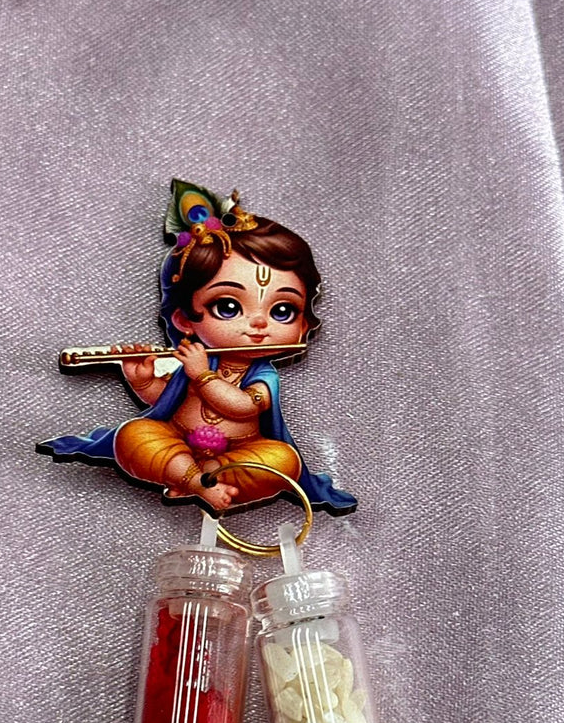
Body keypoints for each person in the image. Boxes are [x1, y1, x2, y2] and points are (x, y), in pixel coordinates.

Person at [36, 181, 356, 515]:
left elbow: (244, 407)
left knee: (283, 460)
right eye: (228, 307)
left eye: (282, 311)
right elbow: (169, 402)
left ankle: (206, 479)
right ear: (184, 318)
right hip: (179, 441)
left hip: (240, 452)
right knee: (134, 434)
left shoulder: (260, 375)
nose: (260, 323)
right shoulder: (198, 359)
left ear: (303, 325)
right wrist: (143, 381)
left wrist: (202, 376)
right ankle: (197, 482)